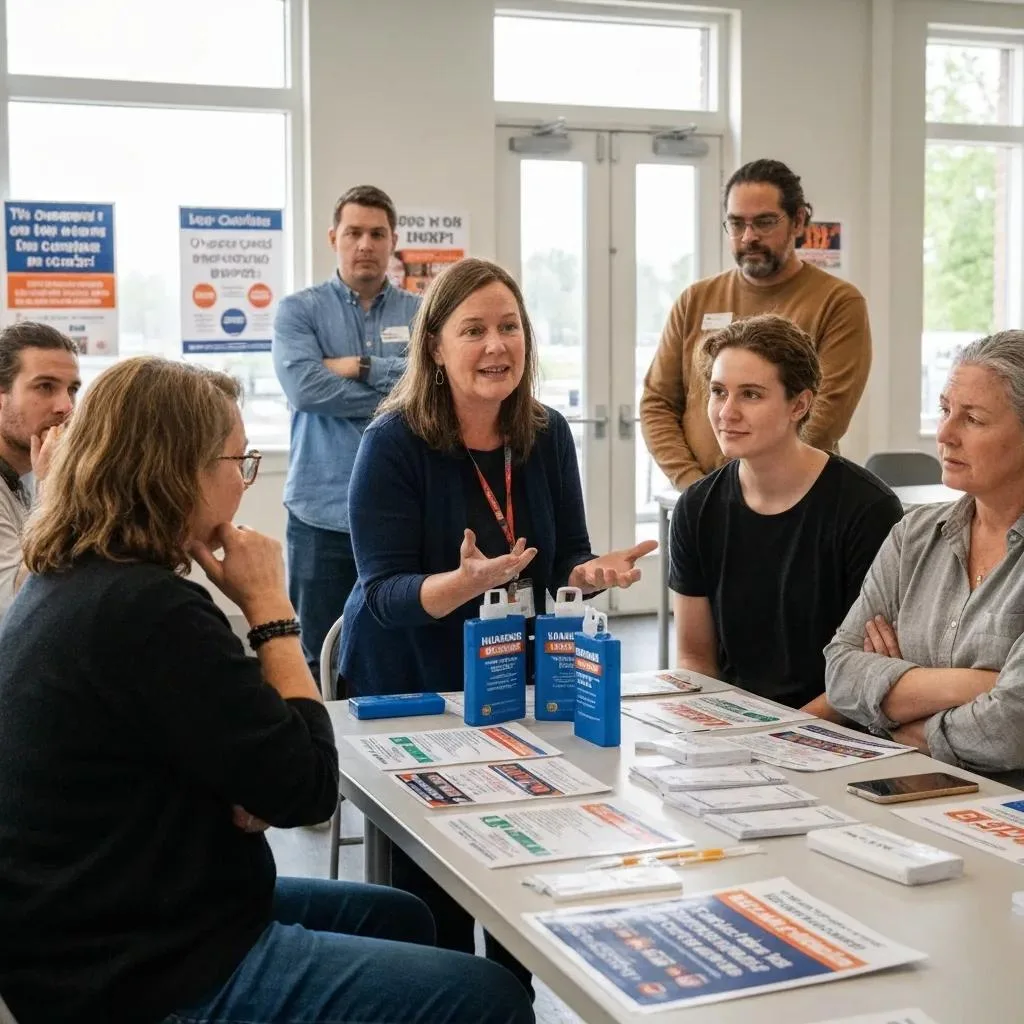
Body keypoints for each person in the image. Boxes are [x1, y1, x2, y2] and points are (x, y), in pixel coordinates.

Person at [0, 357, 534, 1024]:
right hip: (141, 971)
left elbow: (240, 755)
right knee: (490, 998)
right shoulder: (149, 609)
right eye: (237, 462)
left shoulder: (79, 580)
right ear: (178, 471)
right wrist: (272, 612)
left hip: (111, 923)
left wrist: (247, 782)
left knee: (399, 917)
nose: (243, 484)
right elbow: (306, 786)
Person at [340, 256, 656, 995]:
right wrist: (460, 585)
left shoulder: (545, 434)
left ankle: (509, 1001)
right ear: (435, 348)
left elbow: (564, 559)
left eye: (509, 327)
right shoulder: (393, 443)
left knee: (521, 877)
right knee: (441, 910)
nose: (495, 346)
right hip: (411, 682)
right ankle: (451, 1001)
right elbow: (381, 595)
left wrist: (587, 575)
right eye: (474, 329)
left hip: (513, 680)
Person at [670, 314, 903, 714]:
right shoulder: (695, 508)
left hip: (839, 724)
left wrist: (782, 732)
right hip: (737, 725)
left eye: (751, 395)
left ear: (800, 404)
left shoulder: (867, 510)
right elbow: (695, 660)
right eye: (719, 391)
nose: (727, 412)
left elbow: (870, 667)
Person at [826, 330, 1024, 774]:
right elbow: (840, 672)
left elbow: (1012, 728)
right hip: (909, 793)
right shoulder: (914, 533)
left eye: (973, 419)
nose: (945, 434)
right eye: (945, 410)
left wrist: (899, 720)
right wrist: (975, 686)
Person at [640, 158, 872, 491]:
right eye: (736, 224)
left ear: (798, 221)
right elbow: (657, 402)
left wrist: (748, 491)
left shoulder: (837, 302)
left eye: (764, 222)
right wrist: (695, 485)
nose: (749, 237)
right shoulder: (695, 299)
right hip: (699, 498)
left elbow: (824, 415)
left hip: (794, 499)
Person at [273, 184, 421, 689]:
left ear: (392, 240)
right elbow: (306, 389)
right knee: (317, 652)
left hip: (402, 512)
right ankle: (322, 759)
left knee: (398, 644)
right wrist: (396, 385)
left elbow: (432, 387)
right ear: (334, 237)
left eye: (377, 233)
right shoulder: (299, 311)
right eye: (354, 232)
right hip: (321, 513)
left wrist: (357, 366)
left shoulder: (421, 313)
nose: (365, 244)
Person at [0, 320, 79, 624]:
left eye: (71, 389)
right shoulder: (48, 477)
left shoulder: (39, 469)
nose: (65, 406)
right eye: (45, 387)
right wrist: (54, 490)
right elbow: (22, 603)